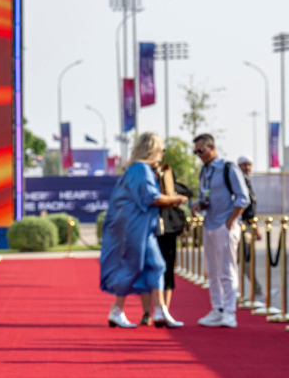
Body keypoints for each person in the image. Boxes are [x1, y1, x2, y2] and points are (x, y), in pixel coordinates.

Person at [100, 132, 187, 328]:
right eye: (161, 149)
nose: (162, 154)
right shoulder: (140, 169)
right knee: (131, 268)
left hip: (141, 228)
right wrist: (176, 199)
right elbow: (151, 198)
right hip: (135, 228)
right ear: (153, 150)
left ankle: (160, 311)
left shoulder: (138, 170)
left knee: (157, 266)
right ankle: (117, 310)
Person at [191, 133, 250, 328]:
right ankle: (217, 309)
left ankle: (230, 311)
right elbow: (205, 196)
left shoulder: (227, 167)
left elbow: (243, 198)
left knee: (227, 269)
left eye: (201, 150)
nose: (199, 154)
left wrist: (230, 221)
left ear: (211, 147)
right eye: (196, 152)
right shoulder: (204, 171)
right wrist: (198, 205)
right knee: (212, 271)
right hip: (209, 223)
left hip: (225, 225)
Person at [152, 167, 193, 324]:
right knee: (151, 271)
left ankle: (165, 311)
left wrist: (171, 189)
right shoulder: (147, 178)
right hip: (151, 230)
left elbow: (187, 192)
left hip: (168, 230)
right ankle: (150, 312)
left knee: (167, 271)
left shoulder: (167, 174)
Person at [237, 155, 263, 303]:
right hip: (241, 225)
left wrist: (255, 225)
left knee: (244, 258)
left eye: (249, 165)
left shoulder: (246, 181)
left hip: (247, 224)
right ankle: (255, 290)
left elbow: (251, 208)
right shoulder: (239, 182)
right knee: (244, 258)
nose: (247, 168)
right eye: (244, 165)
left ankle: (255, 289)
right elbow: (245, 207)